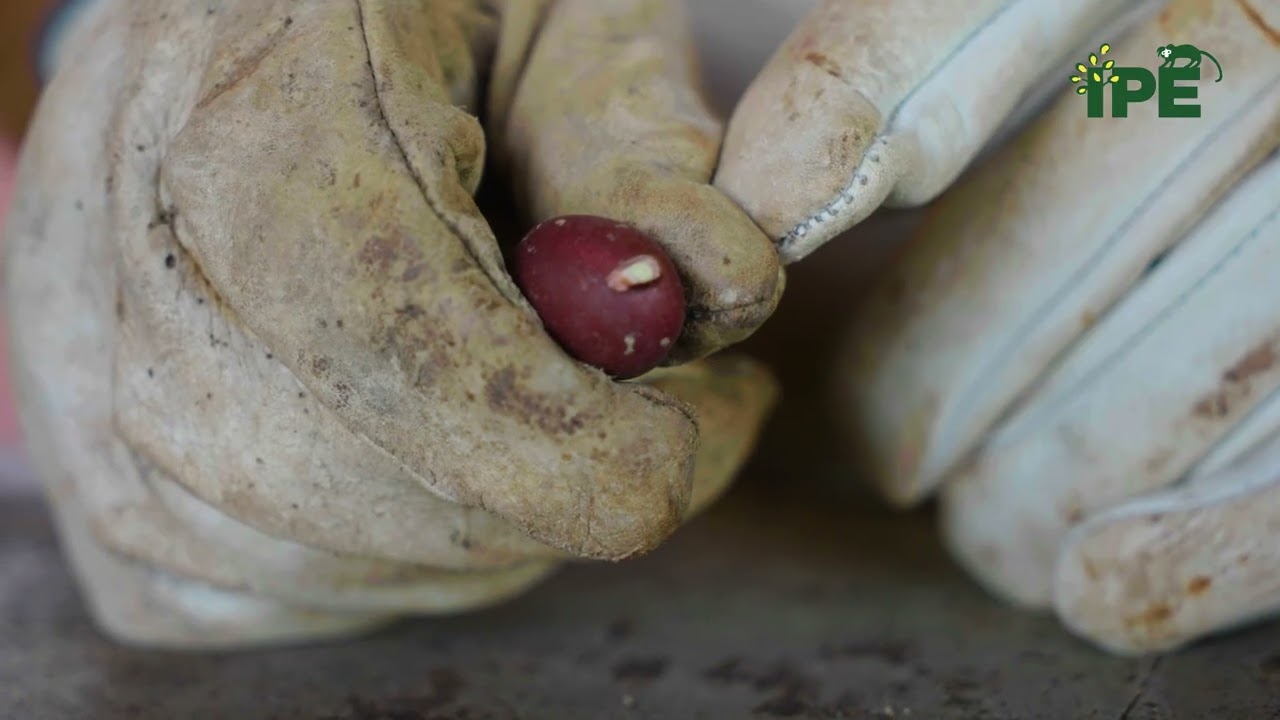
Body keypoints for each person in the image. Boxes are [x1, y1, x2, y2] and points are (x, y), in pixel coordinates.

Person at [4, 0, 1278, 656]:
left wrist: (1213, 52)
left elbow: (1168, 72)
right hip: (489, 113)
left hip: (1111, 78)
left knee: (1187, 68)